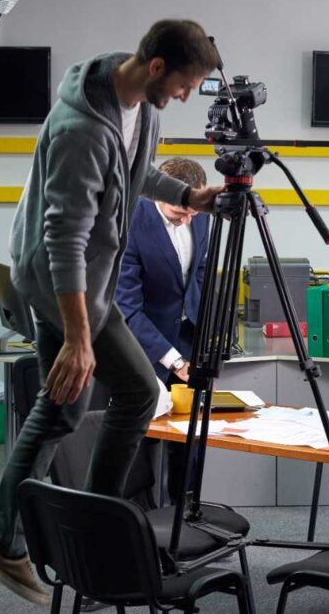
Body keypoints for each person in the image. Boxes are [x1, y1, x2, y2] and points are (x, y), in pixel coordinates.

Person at [0, 19, 222, 605]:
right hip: (67, 284)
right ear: (157, 67)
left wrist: (188, 196)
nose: (187, 97)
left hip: (87, 282)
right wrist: (78, 339)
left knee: (59, 411)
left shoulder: (141, 106)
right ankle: (94, 531)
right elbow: (65, 238)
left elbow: (137, 174)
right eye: (185, 84)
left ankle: (12, 540)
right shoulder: (81, 127)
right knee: (134, 390)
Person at [116, 157, 209, 505]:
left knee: (189, 443)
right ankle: (139, 528)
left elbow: (198, 275)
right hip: (143, 347)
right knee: (141, 446)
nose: (187, 221)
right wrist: (173, 360)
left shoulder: (199, 215)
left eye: (193, 213)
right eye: (178, 213)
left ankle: (187, 516)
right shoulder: (129, 222)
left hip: (189, 341)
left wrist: (208, 336)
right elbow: (127, 309)